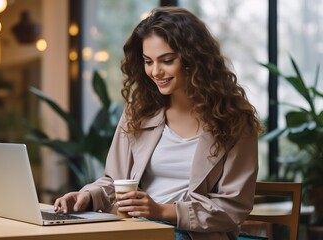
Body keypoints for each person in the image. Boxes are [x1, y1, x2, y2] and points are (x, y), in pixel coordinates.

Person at [54, 6, 264, 240]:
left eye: (166, 60)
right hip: (137, 229)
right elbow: (114, 181)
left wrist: (163, 210)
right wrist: (88, 195)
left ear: (194, 58)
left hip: (192, 234)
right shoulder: (139, 112)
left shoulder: (234, 121)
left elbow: (233, 207)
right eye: (148, 61)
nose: (155, 72)